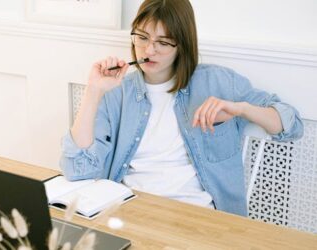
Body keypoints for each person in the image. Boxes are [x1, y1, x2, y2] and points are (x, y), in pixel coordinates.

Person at [60, 0, 303, 216]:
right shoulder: (117, 92)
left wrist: (241, 109)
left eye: (163, 42)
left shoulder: (217, 82)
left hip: (198, 216)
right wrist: (93, 91)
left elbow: (292, 125)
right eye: (142, 38)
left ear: (182, 45)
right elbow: (78, 170)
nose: (149, 50)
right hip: (131, 211)